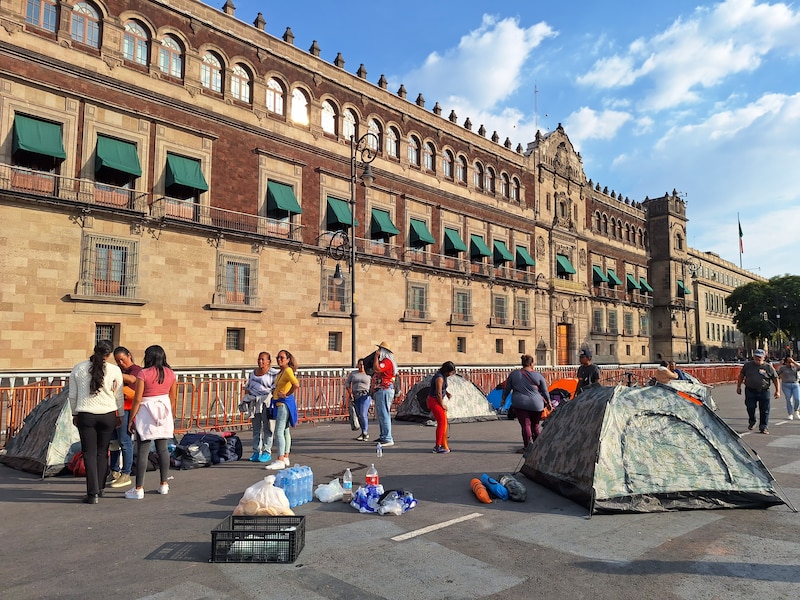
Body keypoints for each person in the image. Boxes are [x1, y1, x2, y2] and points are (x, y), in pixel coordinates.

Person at [69, 340, 124, 504]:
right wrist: (119, 415)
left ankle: (92, 493)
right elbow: (119, 395)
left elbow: (72, 395)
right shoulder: (114, 370)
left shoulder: (79, 368)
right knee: (102, 451)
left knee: (89, 453)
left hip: (86, 414)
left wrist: (74, 413)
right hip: (107, 414)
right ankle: (100, 488)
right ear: (109, 355)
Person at [125, 345, 177, 498]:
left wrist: (131, 418)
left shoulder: (143, 373)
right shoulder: (170, 373)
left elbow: (138, 398)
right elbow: (173, 397)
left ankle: (139, 488)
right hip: (164, 410)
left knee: (143, 450)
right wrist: (170, 415)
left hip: (146, 411)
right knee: (163, 449)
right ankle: (164, 484)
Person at [107, 346, 142, 489]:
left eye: (122, 359)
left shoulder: (136, 370)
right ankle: (114, 471)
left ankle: (126, 473)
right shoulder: (118, 370)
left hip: (127, 410)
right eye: (117, 361)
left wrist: (113, 373)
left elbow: (133, 379)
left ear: (129, 356)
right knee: (113, 442)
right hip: (114, 409)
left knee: (125, 442)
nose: (120, 363)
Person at [502, 354, 551, 453]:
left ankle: (527, 447)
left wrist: (503, 399)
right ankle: (539, 447)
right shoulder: (538, 375)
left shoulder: (514, 374)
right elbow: (545, 391)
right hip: (537, 404)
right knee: (535, 425)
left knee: (526, 425)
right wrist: (549, 402)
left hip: (520, 403)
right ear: (532, 363)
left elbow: (507, 388)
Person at [266, 350, 299, 470]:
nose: (279, 360)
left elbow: (296, 384)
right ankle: (285, 456)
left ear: (288, 359)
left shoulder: (288, 371)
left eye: (282, 358)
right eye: (278, 357)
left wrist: (287, 394)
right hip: (279, 403)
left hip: (283, 404)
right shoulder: (281, 372)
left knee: (279, 431)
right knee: (285, 430)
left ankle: (280, 458)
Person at [243, 352, 279, 463]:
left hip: (266, 402)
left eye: (263, 360)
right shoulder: (253, 373)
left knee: (267, 428)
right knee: (256, 428)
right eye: (259, 359)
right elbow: (248, 386)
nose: (260, 362)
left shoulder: (273, 373)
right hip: (254, 402)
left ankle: (267, 451)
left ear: (269, 361)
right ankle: (256, 451)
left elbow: (276, 387)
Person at [736, 349, 780, 434]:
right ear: (753, 356)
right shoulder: (748, 366)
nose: (758, 358)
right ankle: (752, 421)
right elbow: (741, 376)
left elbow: (775, 379)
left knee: (765, 410)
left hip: (764, 391)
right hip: (750, 390)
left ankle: (763, 427)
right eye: (756, 356)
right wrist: (739, 386)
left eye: (760, 357)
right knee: (750, 407)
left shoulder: (768, 367)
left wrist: (777, 391)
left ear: (764, 357)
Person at [372, 341, 397, 447]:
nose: (377, 351)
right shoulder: (387, 361)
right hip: (383, 389)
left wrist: (376, 358)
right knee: (381, 414)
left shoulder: (386, 361)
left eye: (379, 350)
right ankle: (383, 435)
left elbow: (377, 368)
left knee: (384, 414)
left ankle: (387, 437)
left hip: (385, 389)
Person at [427, 361, 456, 453]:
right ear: (447, 371)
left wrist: (447, 393)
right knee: (442, 423)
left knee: (443, 423)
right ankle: (437, 446)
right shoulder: (439, 378)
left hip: (436, 400)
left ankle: (444, 444)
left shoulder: (442, 376)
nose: (452, 374)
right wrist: (442, 405)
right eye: (451, 372)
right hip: (434, 401)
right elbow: (438, 393)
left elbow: (442, 389)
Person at [346, 359, 372, 441]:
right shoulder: (353, 373)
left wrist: (371, 392)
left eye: (363, 364)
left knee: (363, 413)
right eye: (360, 364)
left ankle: (365, 432)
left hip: (365, 395)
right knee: (358, 415)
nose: (361, 366)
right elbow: (347, 383)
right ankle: (363, 432)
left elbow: (373, 383)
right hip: (355, 395)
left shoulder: (369, 374)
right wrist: (350, 392)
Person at [777, 356, 800, 420]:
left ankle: (796, 411)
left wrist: (793, 362)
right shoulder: (783, 368)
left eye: (790, 362)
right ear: (785, 363)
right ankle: (790, 414)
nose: (789, 364)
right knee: (789, 400)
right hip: (786, 385)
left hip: (795, 384)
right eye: (788, 362)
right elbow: (777, 373)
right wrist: (780, 364)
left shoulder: (795, 366)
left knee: (797, 399)